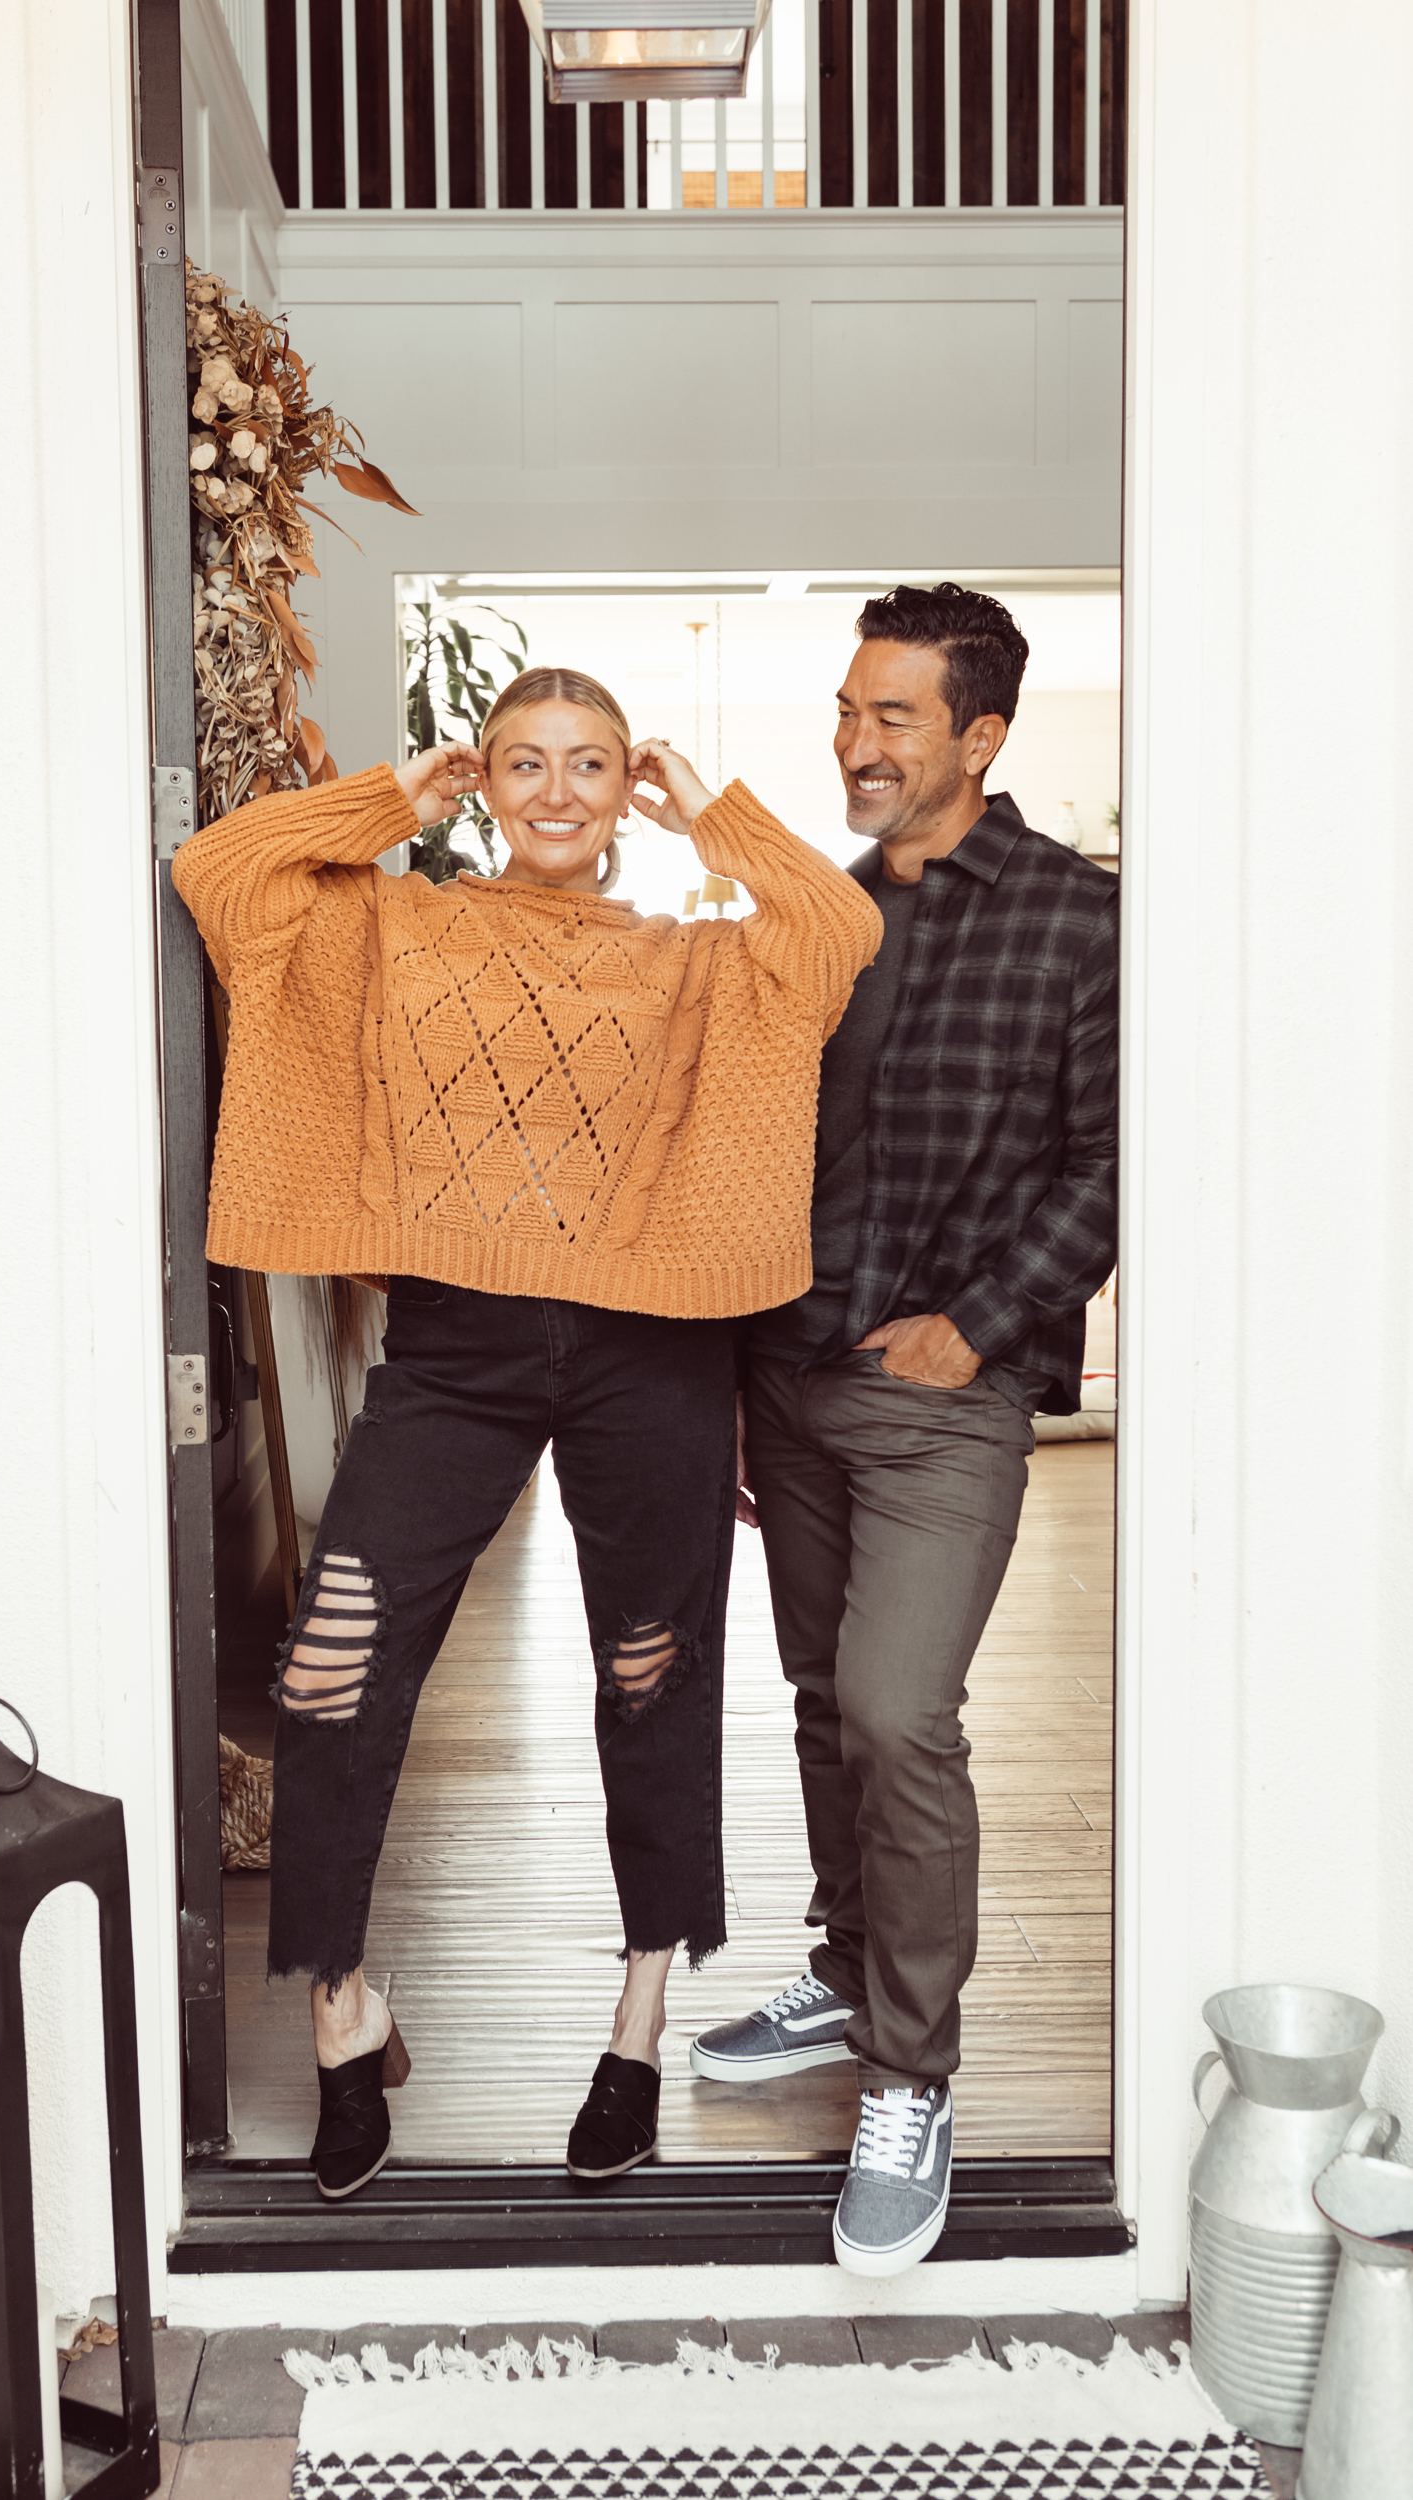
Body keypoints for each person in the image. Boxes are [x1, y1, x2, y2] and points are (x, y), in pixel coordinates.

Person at [173, 665, 881, 2200]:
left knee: (654, 1675)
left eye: (593, 764)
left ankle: (634, 2029)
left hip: (653, 1364)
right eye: (523, 762)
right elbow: (218, 871)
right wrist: (387, 801)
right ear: (484, 779)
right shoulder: (396, 923)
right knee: (331, 1667)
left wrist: (720, 818)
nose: (557, 791)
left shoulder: (699, 962)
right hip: (454, 1356)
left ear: (631, 786)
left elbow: (837, 931)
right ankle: (343, 2023)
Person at [689, 585, 1119, 2277]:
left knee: (895, 1712)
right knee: (816, 1704)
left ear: (981, 738)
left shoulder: (1081, 922)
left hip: (947, 1398)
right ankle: (847, 1965)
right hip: (787, 1379)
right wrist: (738, 1371)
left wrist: (979, 1328)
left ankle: (912, 2075)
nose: (855, 745)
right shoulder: (825, 916)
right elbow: (759, 1153)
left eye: (893, 719)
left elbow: (1112, 1166)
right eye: (849, 712)